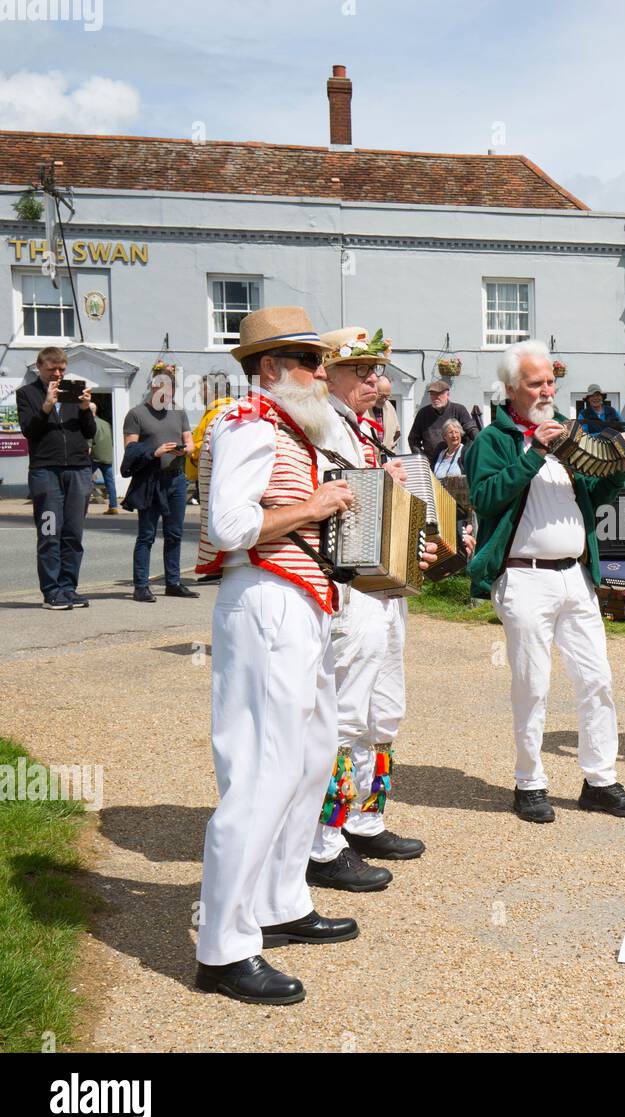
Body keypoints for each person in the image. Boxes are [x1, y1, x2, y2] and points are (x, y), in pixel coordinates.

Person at [192, 305, 359, 1004]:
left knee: (312, 753)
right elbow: (227, 525)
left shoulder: (288, 427)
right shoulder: (246, 422)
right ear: (269, 367)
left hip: (299, 603)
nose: (325, 373)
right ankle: (223, 947)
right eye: (311, 361)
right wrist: (316, 507)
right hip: (265, 599)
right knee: (261, 768)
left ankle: (280, 897)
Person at [465, 338, 625, 824]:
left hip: (576, 578)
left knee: (597, 680)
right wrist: (533, 454)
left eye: (550, 381)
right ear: (510, 388)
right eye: (535, 382)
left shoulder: (568, 436)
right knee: (532, 684)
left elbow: (593, 494)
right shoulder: (494, 440)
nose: (547, 389)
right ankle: (530, 783)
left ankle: (600, 780)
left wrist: (619, 465)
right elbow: (484, 498)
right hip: (524, 578)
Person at [307, 326, 426, 893]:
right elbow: (331, 495)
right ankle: (323, 843)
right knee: (345, 711)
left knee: (384, 709)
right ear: (328, 371)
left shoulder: (367, 427)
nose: (377, 380)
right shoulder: (318, 422)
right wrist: (383, 480)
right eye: (364, 370)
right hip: (349, 586)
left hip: (382, 588)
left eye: (377, 370)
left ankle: (364, 818)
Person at [15, 346, 96, 610]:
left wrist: (85, 408)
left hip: (78, 469)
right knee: (50, 533)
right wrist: (47, 405)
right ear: (39, 367)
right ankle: (51, 592)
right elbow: (30, 430)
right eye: (52, 369)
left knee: (73, 533)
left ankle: (68, 588)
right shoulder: (27, 394)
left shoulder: (72, 392)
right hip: (46, 471)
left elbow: (89, 431)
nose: (58, 374)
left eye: (62, 369)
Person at [122, 364, 197, 602]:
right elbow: (130, 449)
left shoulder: (179, 413)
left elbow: (190, 443)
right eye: (162, 387)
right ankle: (141, 586)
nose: (167, 393)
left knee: (175, 534)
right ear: (153, 387)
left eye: (171, 389)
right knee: (146, 535)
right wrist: (154, 452)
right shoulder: (136, 414)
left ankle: (173, 582)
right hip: (150, 481)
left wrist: (183, 451)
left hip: (176, 481)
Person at [408, 378, 476, 460]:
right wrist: (422, 459)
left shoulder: (459, 410)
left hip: (456, 461)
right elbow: (413, 440)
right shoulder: (423, 413)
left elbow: (472, 431)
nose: (436, 397)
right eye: (432, 394)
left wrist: (467, 455)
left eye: (440, 394)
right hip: (432, 462)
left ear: (448, 394)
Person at [89, 408, 120, 514]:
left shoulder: (90, 423)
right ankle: (113, 506)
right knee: (110, 482)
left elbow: (89, 440)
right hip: (107, 456)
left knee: (83, 479)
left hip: (95, 456)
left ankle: (80, 505)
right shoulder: (106, 423)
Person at [374, 375, 402, 451]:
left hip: (387, 458)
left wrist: (391, 451)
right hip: (369, 460)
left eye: (387, 396)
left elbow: (396, 433)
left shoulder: (390, 407)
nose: (384, 400)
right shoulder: (362, 407)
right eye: (381, 396)